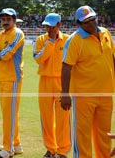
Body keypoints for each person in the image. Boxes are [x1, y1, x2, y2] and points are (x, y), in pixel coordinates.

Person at [61, 5, 115, 158]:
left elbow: (111, 57)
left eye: (93, 19)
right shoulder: (74, 41)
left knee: (105, 135)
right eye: (87, 22)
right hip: (84, 96)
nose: (92, 24)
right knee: (82, 136)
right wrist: (65, 94)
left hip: (106, 93)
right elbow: (66, 67)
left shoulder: (105, 33)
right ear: (78, 24)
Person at [33, 13, 71, 158]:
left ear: (59, 25)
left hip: (63, 83)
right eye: (47, 26)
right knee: (46, 118)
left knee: (63, 118)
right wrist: (50, 43)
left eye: (52, 26)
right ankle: (51, 148)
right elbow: (38, 59)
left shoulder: (68, 40)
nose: (49, 28)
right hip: (45, 81)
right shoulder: (41, 40)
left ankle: (62, 151)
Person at [0, 8, 25, 158]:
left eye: (8, 19)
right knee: (9, 113)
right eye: (3, 18)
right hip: (2, 77)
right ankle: (15, 144)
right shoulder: (0, 34)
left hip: (12, 78)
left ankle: (7, 148)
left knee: (9, 115)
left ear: (14, 20)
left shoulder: (17, 34)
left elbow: (5, 55)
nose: (5, 21)